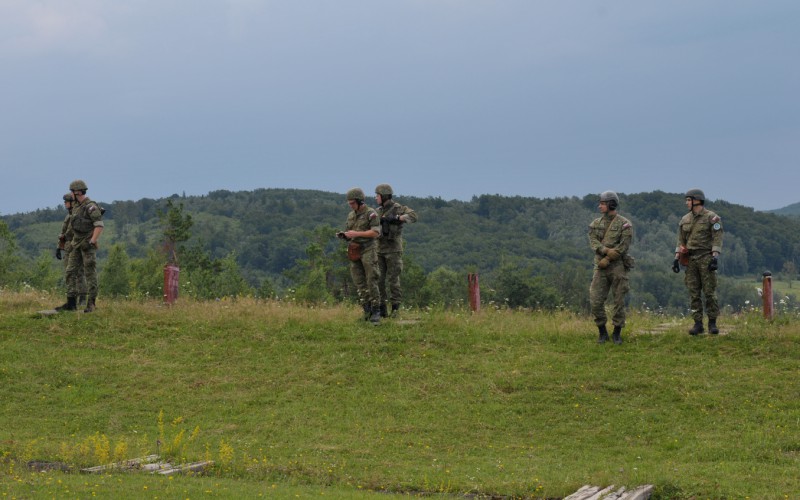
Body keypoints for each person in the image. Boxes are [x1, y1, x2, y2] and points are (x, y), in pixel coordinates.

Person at [673, 188, 723, 335]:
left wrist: (715, 257)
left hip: (706, 257)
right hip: (690, 259)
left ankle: (712, 323)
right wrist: (676, 258)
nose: (686, 203)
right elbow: (680, 241)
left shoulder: (712, 218)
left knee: (709, 292)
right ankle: (698, 323)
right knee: (693, 293)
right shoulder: (685, 220)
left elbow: (717, 238)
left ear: (697, 201)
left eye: (689, 200)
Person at [588, 191, 633, 344]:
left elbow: (623, 246)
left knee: (619, 301)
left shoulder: (624, 224)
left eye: (603, 203)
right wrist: (606, 251)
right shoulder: (595, 224)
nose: (599, 206)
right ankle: (602, 331)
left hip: (618, 266)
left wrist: (607, 259)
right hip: (600, 267)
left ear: (611, 204)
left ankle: (617, 332)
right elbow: (594, 243)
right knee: (595, 300)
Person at [338, 187, 382, 324]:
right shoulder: (351, 215)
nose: (351, 206)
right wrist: (345, 235)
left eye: (352, 203)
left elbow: (375, 233)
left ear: (359, 201)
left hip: (368, 249)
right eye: (349, 203)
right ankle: (366, 309)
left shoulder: (371, 214)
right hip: (354, 249)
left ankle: (376, 310)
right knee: (359, 282)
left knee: (371, 279)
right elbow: (349, 231)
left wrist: (356, 234)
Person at [59, 179, 104, 313]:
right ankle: (71, 303)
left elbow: (99, 225)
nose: (71, 194)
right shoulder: (77, 207)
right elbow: (73, 226)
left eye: (72, 191)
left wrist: (92, 241)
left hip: (87, 245)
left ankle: (91, 303)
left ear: (77, 192)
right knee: (70, 271)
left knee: (89, 273)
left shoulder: (90, 206)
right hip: (76, 244)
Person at [374, 184, 417, 317]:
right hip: (379, 249)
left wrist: (397, 218)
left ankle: (395, 309)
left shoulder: (398, 208)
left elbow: (413, 216)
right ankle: (382, 309)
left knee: (393, 279)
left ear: (384, 196)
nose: (376, 198)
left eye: (377, 195)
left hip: (393, 249)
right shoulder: (378, 211)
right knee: (378, 280)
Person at [55, 193, 87, 310]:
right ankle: (74, 299)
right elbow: (63, 233)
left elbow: (70, 233)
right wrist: (59, 247)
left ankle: (81, 298)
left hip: (76, 246)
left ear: (72, 202)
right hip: (68, 246)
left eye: (66, 201)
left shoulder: (77, 215)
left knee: (78, 273)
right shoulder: (69, 215)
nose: (64, 203)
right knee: (71, 273)